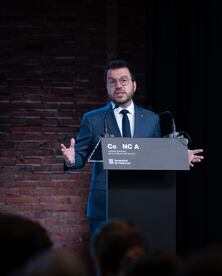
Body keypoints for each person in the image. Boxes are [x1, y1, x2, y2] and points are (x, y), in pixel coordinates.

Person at [60, 60, 203, 234]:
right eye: (112, 81)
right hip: (103, 204)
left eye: (124, 80)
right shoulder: (92, 119)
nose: (118, 85)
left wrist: (177, 155)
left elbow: (155, 156)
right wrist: (72, 159)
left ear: (134, 86)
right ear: (107, 87)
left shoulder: (152, 119)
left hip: (142, 199)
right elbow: (79, 156)